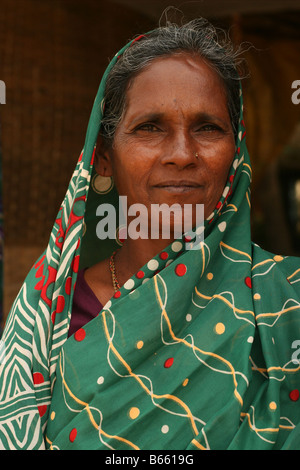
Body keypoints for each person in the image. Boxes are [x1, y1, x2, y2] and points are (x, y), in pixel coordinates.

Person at [1, 17, 300, 451]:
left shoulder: (285, 302)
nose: (181, 154)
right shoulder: (48, 317)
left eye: (207, 128)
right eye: (149, 127)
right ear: (102, 158)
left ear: (236, 151)